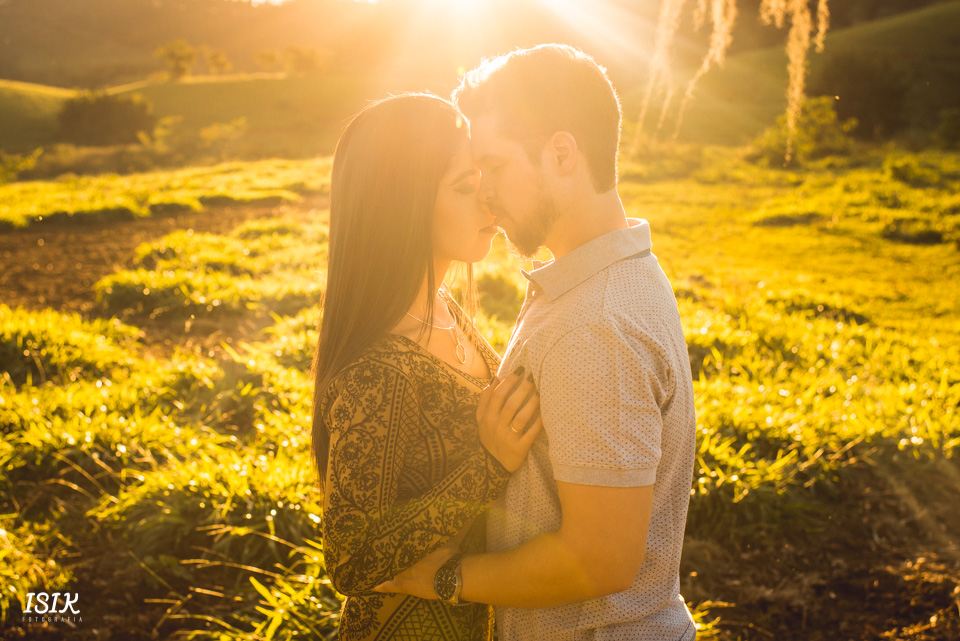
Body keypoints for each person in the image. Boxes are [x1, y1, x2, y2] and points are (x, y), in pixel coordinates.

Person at [374, 44, 698, 641]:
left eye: (494, 166)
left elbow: (600, 558)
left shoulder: (595, 325)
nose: (485, 192)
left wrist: (445, 579)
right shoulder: (611, 274)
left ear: (561, 153)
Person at [311, 93, 543, 641]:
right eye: (466, 188)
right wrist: (488, 467)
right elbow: (350, 559)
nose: (490, 202)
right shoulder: (379, 369)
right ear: (402, 203)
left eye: (485, 181)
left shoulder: (444, 309)